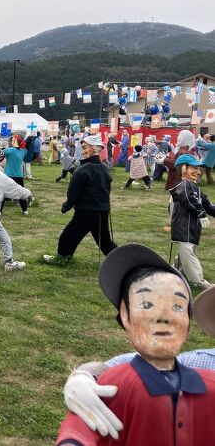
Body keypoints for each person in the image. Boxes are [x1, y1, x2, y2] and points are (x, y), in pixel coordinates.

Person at [56, 244, 215, 446]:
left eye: (176, 307)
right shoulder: (205, 364)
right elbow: (121, 368)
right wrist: (83, 377)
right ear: (125, 315)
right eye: (147, 305)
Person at [43, 135, 116, 265]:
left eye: (84, 148)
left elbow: (73, 193)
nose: (82, 151)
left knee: (68, 236)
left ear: (94, 149)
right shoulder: (104, 169)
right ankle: (122, 260)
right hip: (102, 210)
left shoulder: (82, 170)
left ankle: (62, 258)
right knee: (104, 240)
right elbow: (106, 189)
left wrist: (66, 206)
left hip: (86, 211)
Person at [168, 154, 215, 289]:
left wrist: (208, 210)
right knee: (188, 252)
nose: (198, 172)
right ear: (183, 169)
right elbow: (189, 201)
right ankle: (199, 281)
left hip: (192, 227)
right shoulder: (184, 186)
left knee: (187, 251)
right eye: (194, 168)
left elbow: (207, 204)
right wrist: (201, 214)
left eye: (198, 168)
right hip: (183, 226)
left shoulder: (195, 188)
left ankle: (174, 271)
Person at [0, 135, 29, 216]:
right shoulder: (23, 151)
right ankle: (25, 210)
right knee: (21, 192)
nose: (11, 140)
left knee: (3, 193)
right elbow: (25, 148)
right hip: (19, 175)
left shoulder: (9, 151)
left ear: (15, 141)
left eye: (12, 139)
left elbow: (1, 153)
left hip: (9, 175)